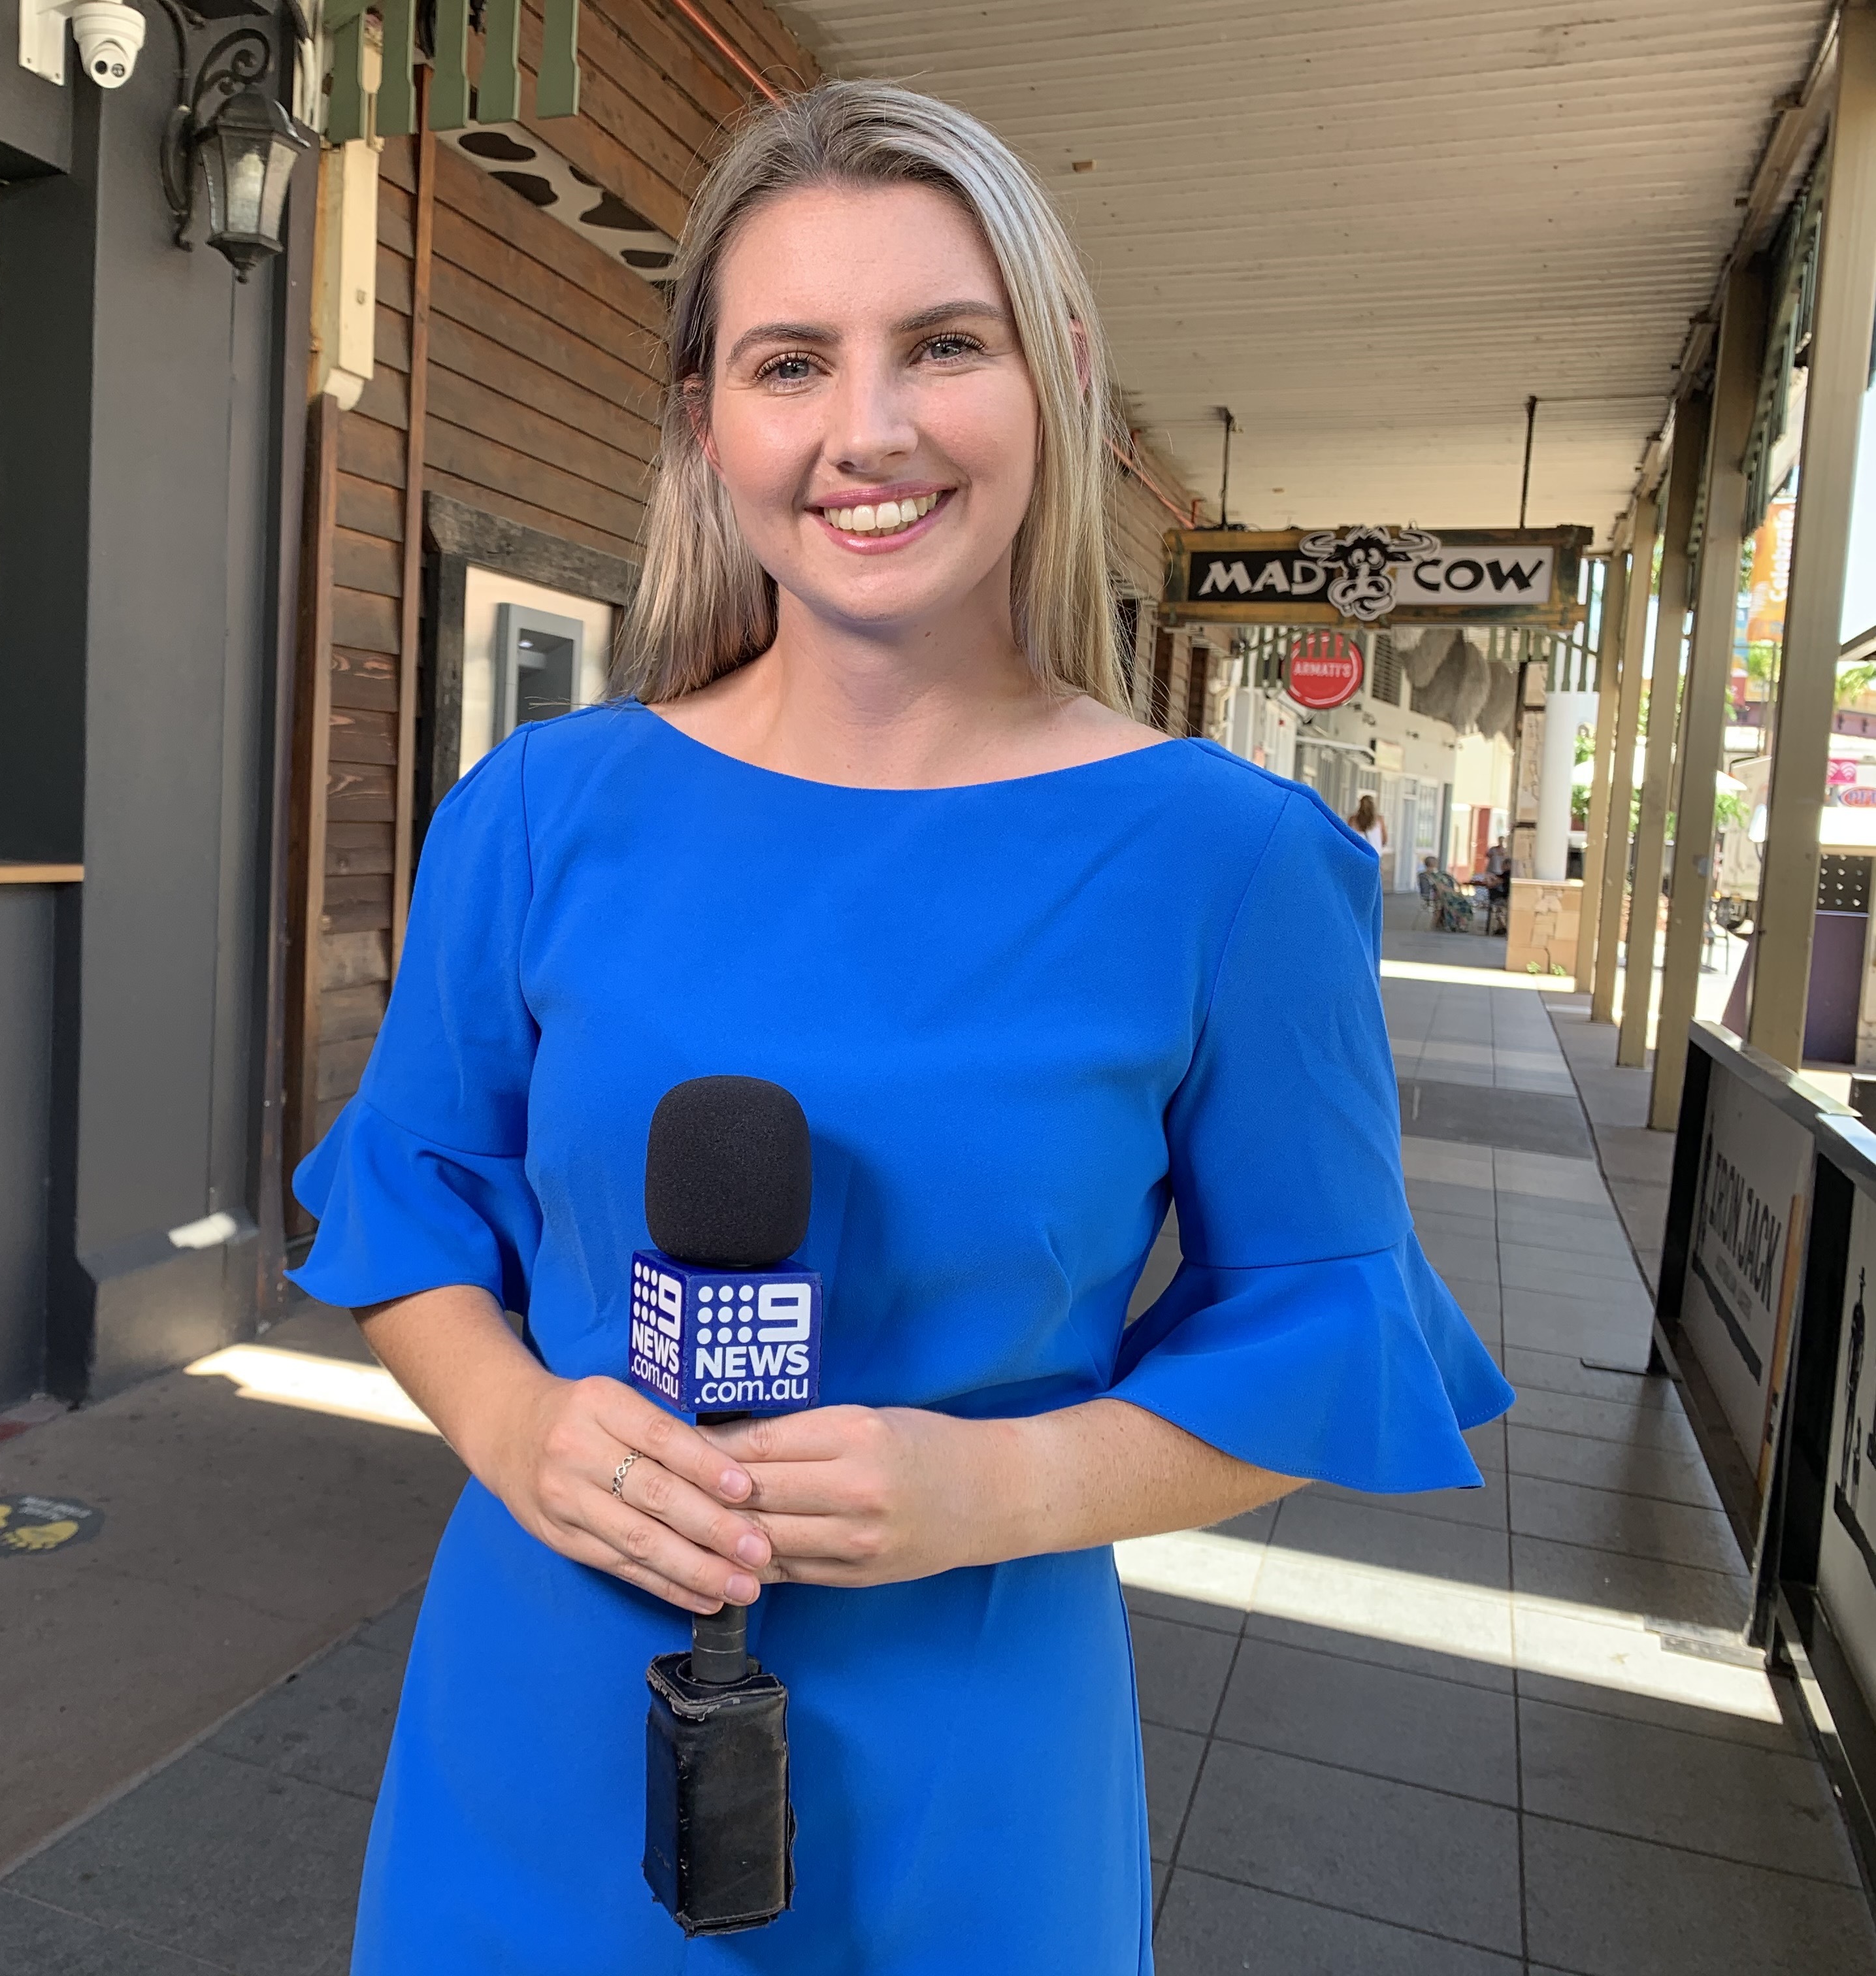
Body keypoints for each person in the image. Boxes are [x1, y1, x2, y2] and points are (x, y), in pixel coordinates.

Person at [292, 80, 1510, 1972]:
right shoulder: (537, 813)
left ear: (1062, 380)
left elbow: (1325, 1334)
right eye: (790, 363)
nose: (869, 430)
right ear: (706, 422)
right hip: (537, 1725)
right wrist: (519, 1423)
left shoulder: (1230, 863)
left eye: (946, 344)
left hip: (970, 1764)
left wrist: (998, 1482)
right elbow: (411, 1210)